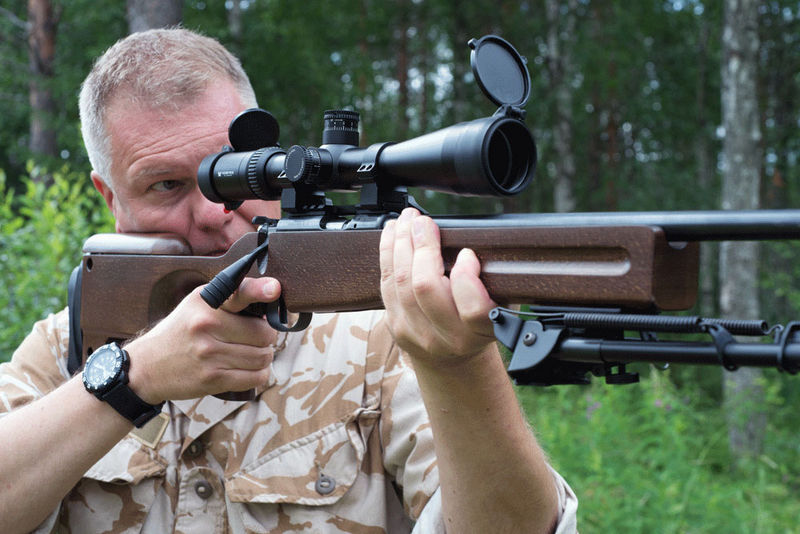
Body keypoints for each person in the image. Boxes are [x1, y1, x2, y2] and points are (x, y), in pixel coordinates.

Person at [0, 28, 577, 533]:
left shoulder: (382, 338)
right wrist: (135, 378)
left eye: (232, 172)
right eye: (166, 186)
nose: (212, 211)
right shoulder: (65, 352)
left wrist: (460, 369)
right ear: (110, 198)